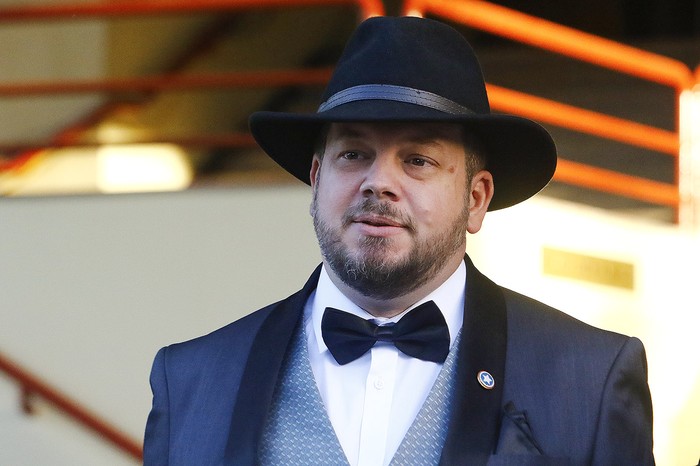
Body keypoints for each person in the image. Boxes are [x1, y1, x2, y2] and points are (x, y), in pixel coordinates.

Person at [143, 16, 654, 466]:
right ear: (317, 179)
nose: (377, 182)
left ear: (476, 199)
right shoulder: (191, 379)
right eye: (353, 155)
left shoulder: (589, 379)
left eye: (417, 160)